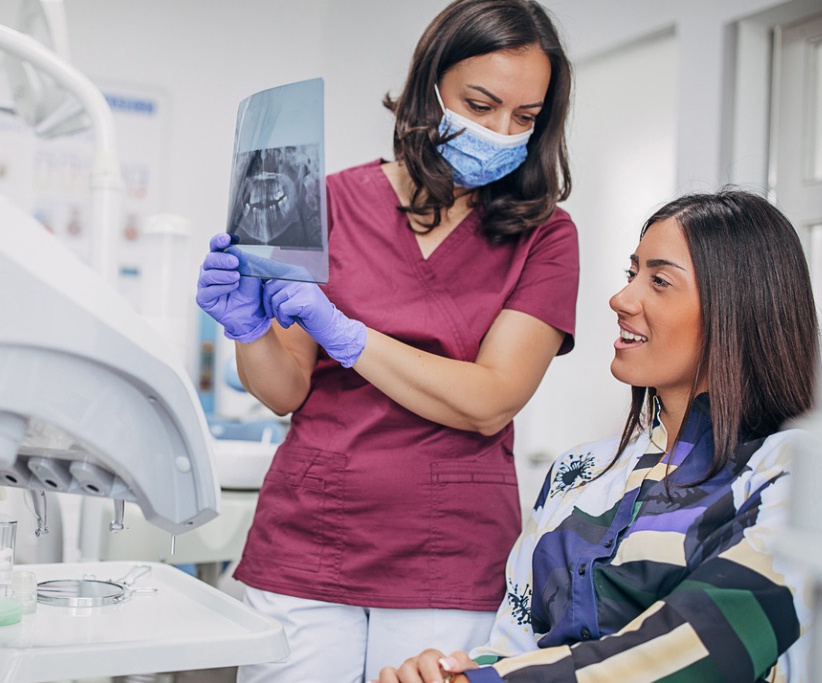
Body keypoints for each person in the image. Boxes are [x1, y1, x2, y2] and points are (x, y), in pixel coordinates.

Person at [196, 1, 577, 680]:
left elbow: (490, 399)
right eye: (480, 104)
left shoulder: (544, 235)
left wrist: (347, 335)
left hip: (447, 552)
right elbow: (284, 389)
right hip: (310, 536)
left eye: (525, 118)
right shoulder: (321, 201)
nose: (498, 132)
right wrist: (249, 329)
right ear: (428, 86)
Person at [378, 189, 820, 683]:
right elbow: (515, 644)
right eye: (632, 274)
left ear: (738, 308)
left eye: (659, 280)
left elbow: (704, 645)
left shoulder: (797, 476)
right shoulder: (578, 472)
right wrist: (455, 669)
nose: (621, 299)